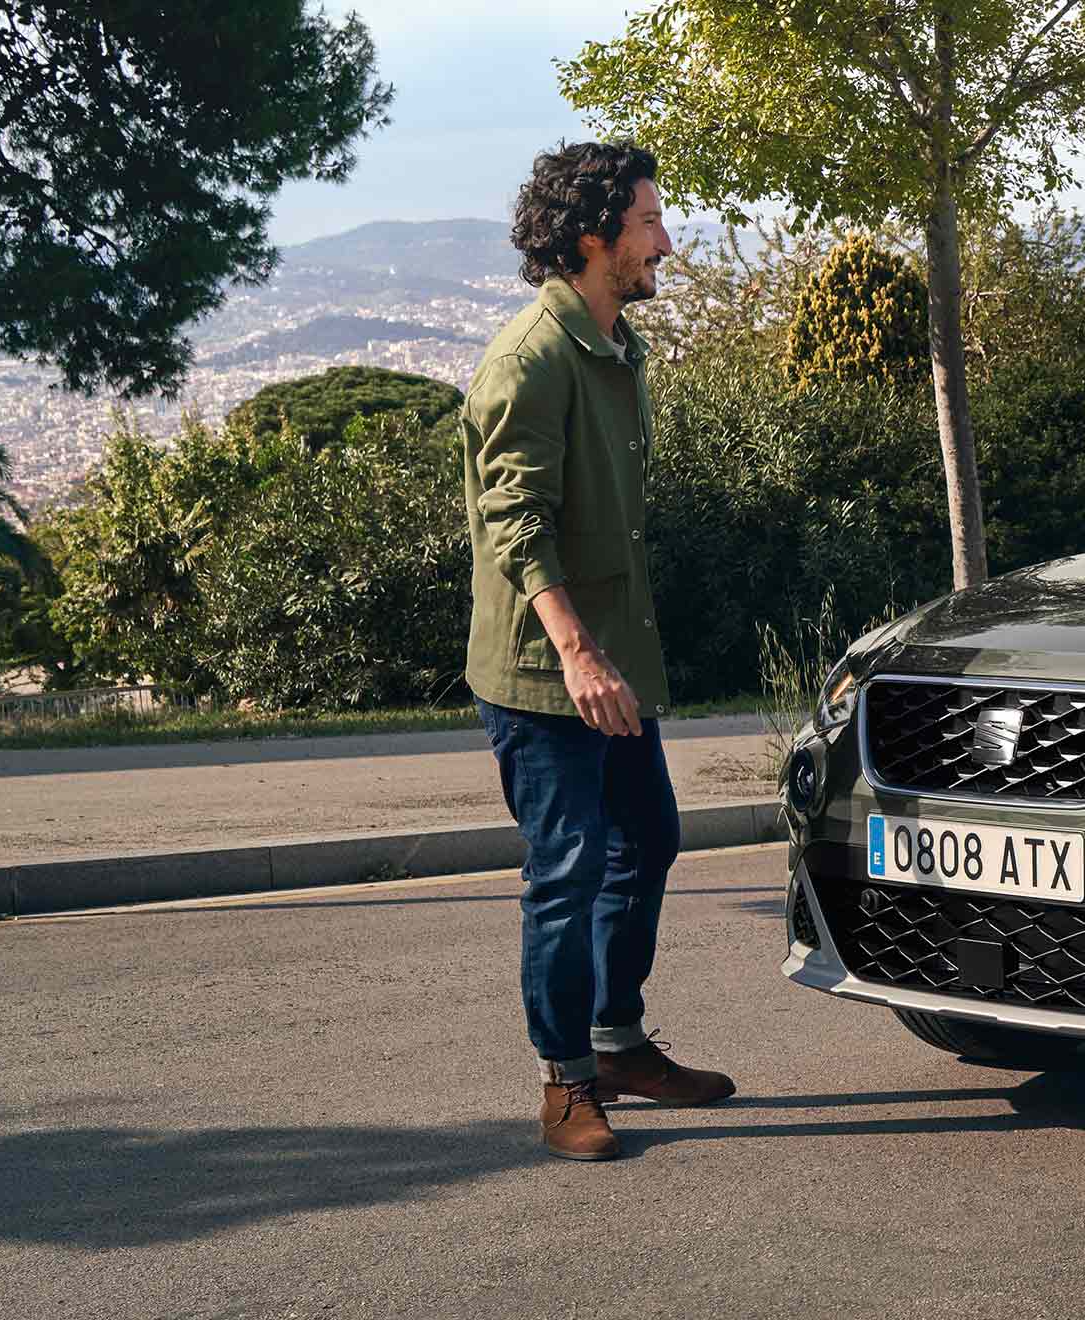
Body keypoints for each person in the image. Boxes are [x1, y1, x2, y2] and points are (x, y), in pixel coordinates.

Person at [463, 141, 735, 1161]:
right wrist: (577, 653)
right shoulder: (528, 360)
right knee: (569, 869)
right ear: (593, 242)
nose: (666, 239)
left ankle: (617, 1042)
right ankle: (565, 1083)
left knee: (647, 842)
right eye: (650, 222)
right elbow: (516, 523)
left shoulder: (618, 345)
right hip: (549, 673)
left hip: (616, 660)